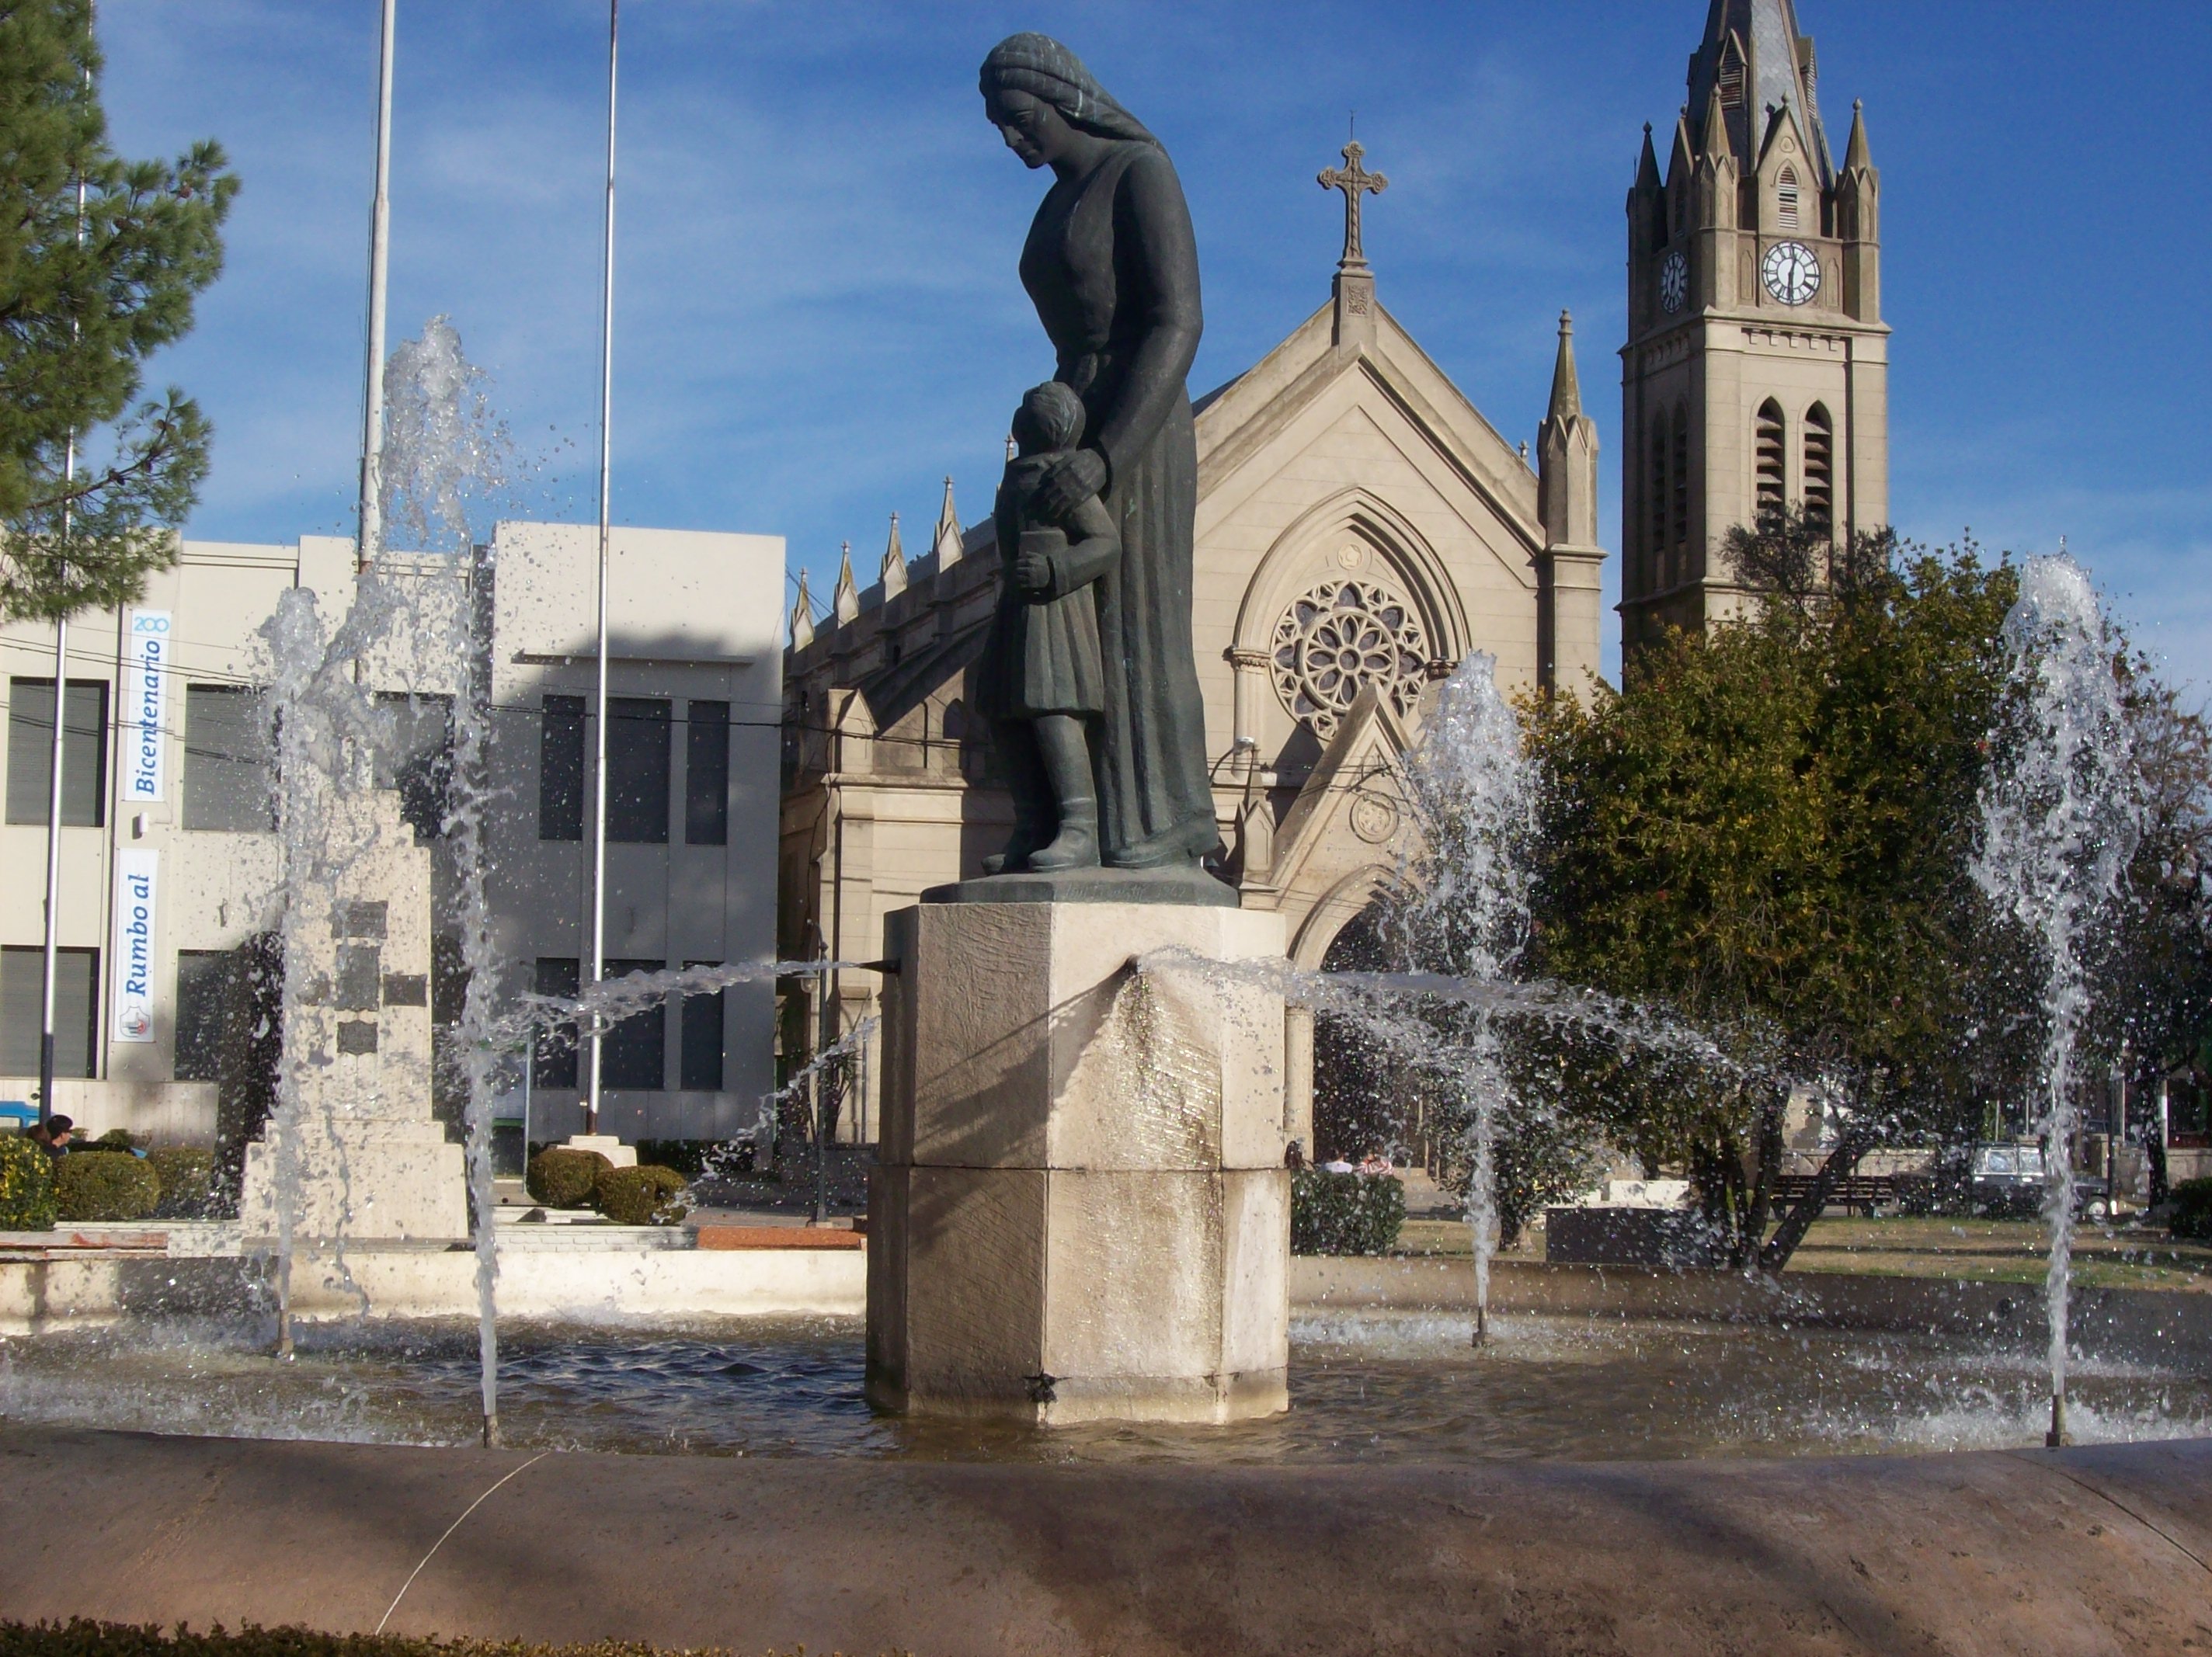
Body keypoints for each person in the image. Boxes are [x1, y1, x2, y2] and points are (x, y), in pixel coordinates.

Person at [979, 34, 1219, 874]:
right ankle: (1057, 823)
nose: (1012, 140)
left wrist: (1109, 454)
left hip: (1138, 426)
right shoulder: (1056, 200)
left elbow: (1178, 320)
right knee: (1046, 637)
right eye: (1000, 128)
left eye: (1018, 119)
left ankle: (1153, 827)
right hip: (1070, 415)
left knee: (1134, 631)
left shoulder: (1141, 172)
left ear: (1059, 96)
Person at [976, 381, 1118, 871]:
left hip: (1055, 613)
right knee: (1002, 711)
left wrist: (1055, 570)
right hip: (1017, 611)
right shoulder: (1018, 478)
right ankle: (1033, 825)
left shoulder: (1061, 478)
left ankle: (1079, 829)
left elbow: (1104, 543)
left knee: (1053, 710)